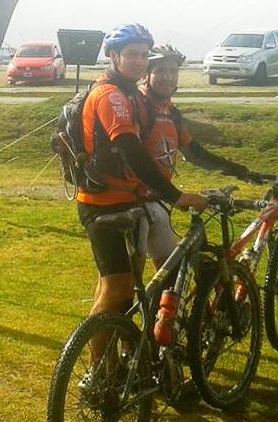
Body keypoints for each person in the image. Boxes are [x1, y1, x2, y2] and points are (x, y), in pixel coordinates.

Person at [77, 25, 207, 358]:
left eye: (143, 55)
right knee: (117, 289)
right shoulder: (110, 95)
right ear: (113, 56)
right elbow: (131, 150)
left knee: (121, 287)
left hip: (127, 202)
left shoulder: (131, 94)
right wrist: (176, 196)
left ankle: (121, 358)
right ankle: (99, 373)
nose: (138, 61)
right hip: (103, 205)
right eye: (131, 54)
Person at [136, 44, 259, 270]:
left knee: (170, 277)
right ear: (145, 74)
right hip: (131, 205)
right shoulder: (137, 107)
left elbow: (194, 153)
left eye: (173, 71)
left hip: (158, 202)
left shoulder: (170, 112)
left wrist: (236, 169)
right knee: (124, 284)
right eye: (161, 70)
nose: (168, 77)